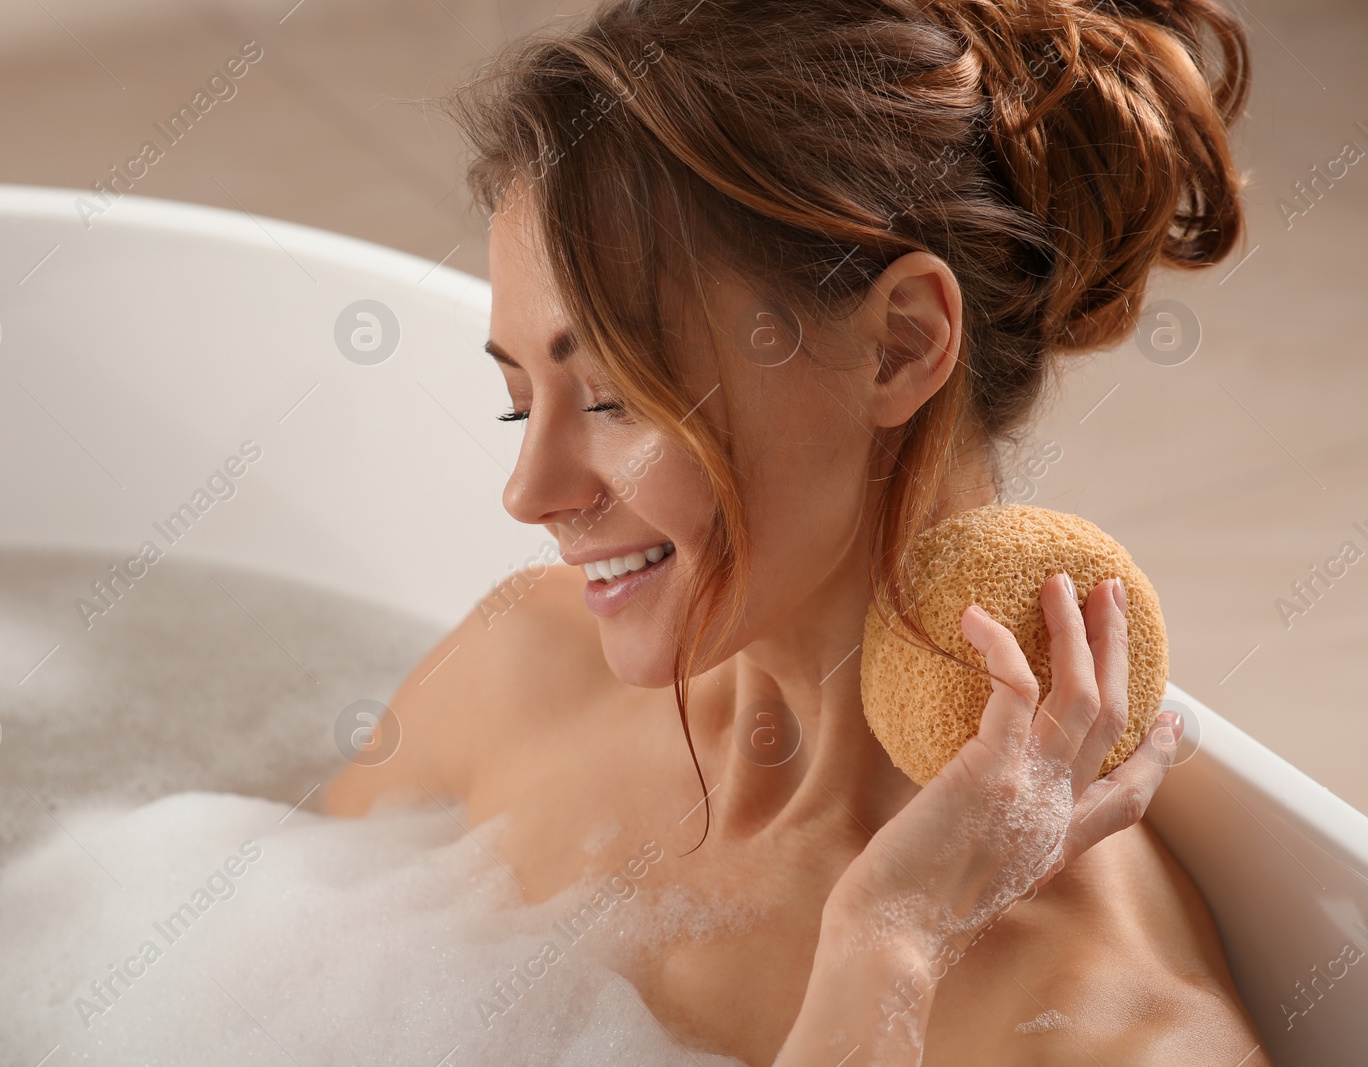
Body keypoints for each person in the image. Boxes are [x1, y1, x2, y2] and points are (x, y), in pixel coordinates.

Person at [326, 0, 1272, 1061]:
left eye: (611, 398)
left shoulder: (1102, 1022)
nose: (528, 489)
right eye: (517, 401)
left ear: (900, 346)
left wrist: (889, 947)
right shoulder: (511, 673)